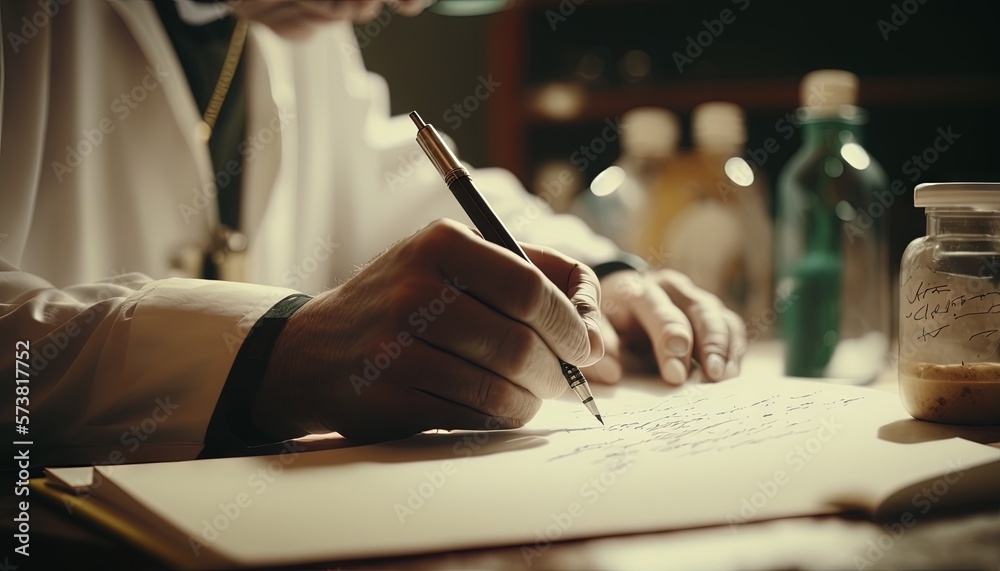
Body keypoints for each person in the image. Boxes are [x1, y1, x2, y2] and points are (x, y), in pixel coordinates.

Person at [0, 0, 745, 467]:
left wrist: (600, 277)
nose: (409, 6)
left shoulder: (302, 34)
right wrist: (273, 353)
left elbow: (400, 184)